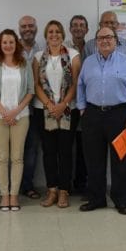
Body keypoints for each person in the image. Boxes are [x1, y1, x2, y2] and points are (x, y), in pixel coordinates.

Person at [77, 26, 126, 215]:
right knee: (93, 160)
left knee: (121, 160)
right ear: (96, 42)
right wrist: (83, 110)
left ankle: (121, 200)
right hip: (93, 114)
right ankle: (96, 199)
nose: (104, 41)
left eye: (108, 37)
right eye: (100, 38)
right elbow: (80, 86)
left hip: (120, 115)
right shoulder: (88, 62)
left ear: (115, 40)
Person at [0, 29, 35, 211]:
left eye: (11, 42)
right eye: (4, 42)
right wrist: (5, 113)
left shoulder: (25, 64)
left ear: (16, 44)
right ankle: (4, 196)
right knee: (2, 158)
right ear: (0, 44)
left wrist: (15, 112)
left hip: (21, 117)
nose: (8, 45)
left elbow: (30, 91)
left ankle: (14, 195)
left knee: (17, 158)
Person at [33, 20, 81, 209]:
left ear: (63, 34)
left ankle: (64, 191)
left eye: (57, 31)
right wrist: (49, 105)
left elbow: (76, 83)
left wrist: (63, 104)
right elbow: (36, 84)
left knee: (65, 151)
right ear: (46, 36)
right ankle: (52, 190)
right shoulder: (38, 56)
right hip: (43, 110)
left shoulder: (73, 55)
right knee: (49, 152)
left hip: (68, 110)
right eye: (50, 32)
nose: (54, 35)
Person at [17, 15, 44, 200]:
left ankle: (27, 186)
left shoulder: (43, 50)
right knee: (11, 150)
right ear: (19, 29)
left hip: (35, 108)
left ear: (36, 28)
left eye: (31, 26)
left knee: (32, 149)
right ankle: (10, 187)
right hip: (12, 108)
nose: (27, 29)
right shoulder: (10, 47)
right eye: (24, 26)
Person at [65, 14, 89, 195]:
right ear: (70, 29)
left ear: (87, 29)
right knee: (67, 146)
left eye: (81, 25)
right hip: (69, 105)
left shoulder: (93, 47)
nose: (78, 28)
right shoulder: (63, 48)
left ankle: (81, 184)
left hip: (89, 105)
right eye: (75, 25)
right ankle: (65, 185)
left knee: (85, 146)